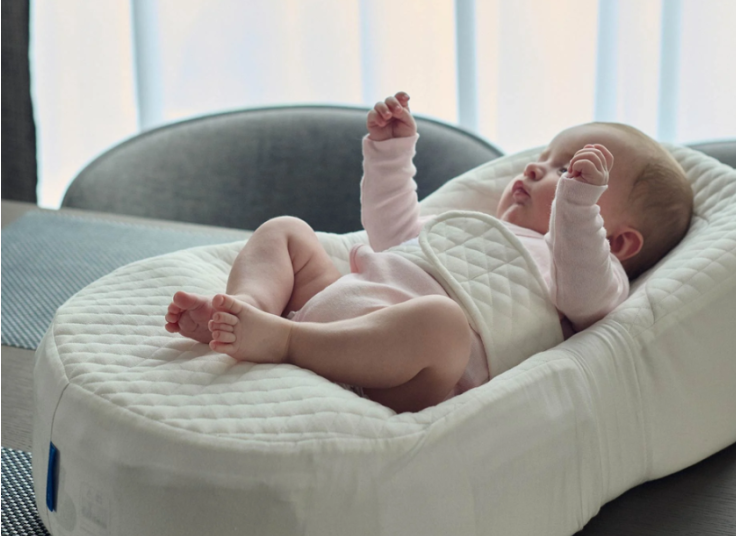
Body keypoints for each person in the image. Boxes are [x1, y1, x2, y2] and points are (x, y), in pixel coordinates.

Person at [165, 92, 693, 413]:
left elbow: (584, 289)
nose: (536, 168)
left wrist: (575, 207)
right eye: (544, 157)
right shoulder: (472, 225)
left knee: (442, 324)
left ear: (617, 240)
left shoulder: (594, 278)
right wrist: (391, 155)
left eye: (567, 168)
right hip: (337, 304)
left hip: (398, 373)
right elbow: (391, 232)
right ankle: (244, 309)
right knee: (287, 232)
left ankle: (282, 340)